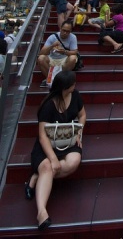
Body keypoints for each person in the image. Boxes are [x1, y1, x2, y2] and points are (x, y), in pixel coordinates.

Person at [25, 71, 86, 230]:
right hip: (47, 143)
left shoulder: (75, 95)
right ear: (65, 87)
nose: (75, 85)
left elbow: (82, 115)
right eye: (73, 83)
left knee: (73, 162)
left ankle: (37, 177)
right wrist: (52, 158)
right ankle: (41, 212)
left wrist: (79, 132)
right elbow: (42, 135)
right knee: (47, 166)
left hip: (67, 138)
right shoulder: (49, 104)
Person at [37, 22, 78, 88]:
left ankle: (61, 78)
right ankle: (50, 78)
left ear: (70, 31)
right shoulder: (52, 37)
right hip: (52, 59)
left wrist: (64, 52)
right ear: (60, 29)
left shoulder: (73, 37)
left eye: (68, 31)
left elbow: (75, 52)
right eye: (64, 30)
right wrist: (52, 46)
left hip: (64, 59)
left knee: (73, 58)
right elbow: (41, 52)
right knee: (41, 58)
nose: (65, 33)